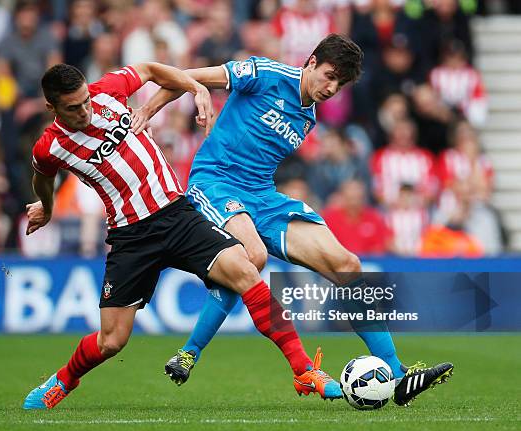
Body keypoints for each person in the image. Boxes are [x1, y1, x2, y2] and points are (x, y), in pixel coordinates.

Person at [135, 33, 453, 406]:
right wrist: (148, 110)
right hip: (216, 182)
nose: (331, 88)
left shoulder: (308, 116)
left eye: (340, 83)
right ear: (312, 62)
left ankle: (398, 375)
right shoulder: (265, 73)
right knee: (251, 256)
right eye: (329, 76)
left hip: (262, 195)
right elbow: (187, 76)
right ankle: (190, 353)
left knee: (347, 265)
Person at [23, 62, 337, 410]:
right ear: (52, 107)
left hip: (177, 215)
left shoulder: (108, 90)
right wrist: (47, 208)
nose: (85, 111)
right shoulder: (49, 146)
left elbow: (151, 69)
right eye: (73, 108)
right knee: (112, 341)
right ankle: (63, 381)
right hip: (131, 237)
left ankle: (303, 368)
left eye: (85, 101)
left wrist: (195, 87)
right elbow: (43, 177)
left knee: (247, 270)